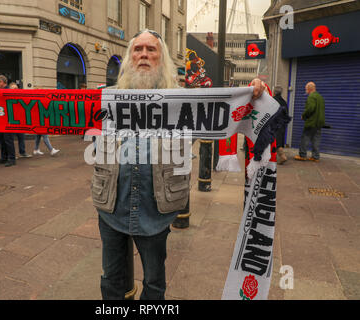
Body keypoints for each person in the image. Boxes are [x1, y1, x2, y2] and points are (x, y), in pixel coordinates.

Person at [92, 29, 267, 300]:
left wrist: (252, 94)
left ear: (162, 59)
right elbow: (54, 111)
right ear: (129, 57)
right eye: (138, 49)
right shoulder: (103, 98)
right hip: (111, 205)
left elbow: (224, 115)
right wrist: (0, 100)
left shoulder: (183, 99)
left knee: (154, 282)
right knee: (111, 280)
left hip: (157, 208)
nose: (144, 55)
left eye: (151, 50)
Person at [294, 82, 325, 162]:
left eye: (306, 89)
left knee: (305, 138)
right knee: (316, 139)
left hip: (311, 122)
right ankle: (315, 157)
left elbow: (310, 108)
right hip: (319, 122)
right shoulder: (320, 97)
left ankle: (302, 155)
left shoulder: (311, 97)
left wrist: (304, 116)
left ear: (309, 89)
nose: (305, 90)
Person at [273, 86, 291, 164]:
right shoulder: (284, 102)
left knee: (275, 141)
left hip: (274, 124)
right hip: (282, 125)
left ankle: (282, 156)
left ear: (274, 92)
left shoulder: (272, 101)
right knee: (279, 140)